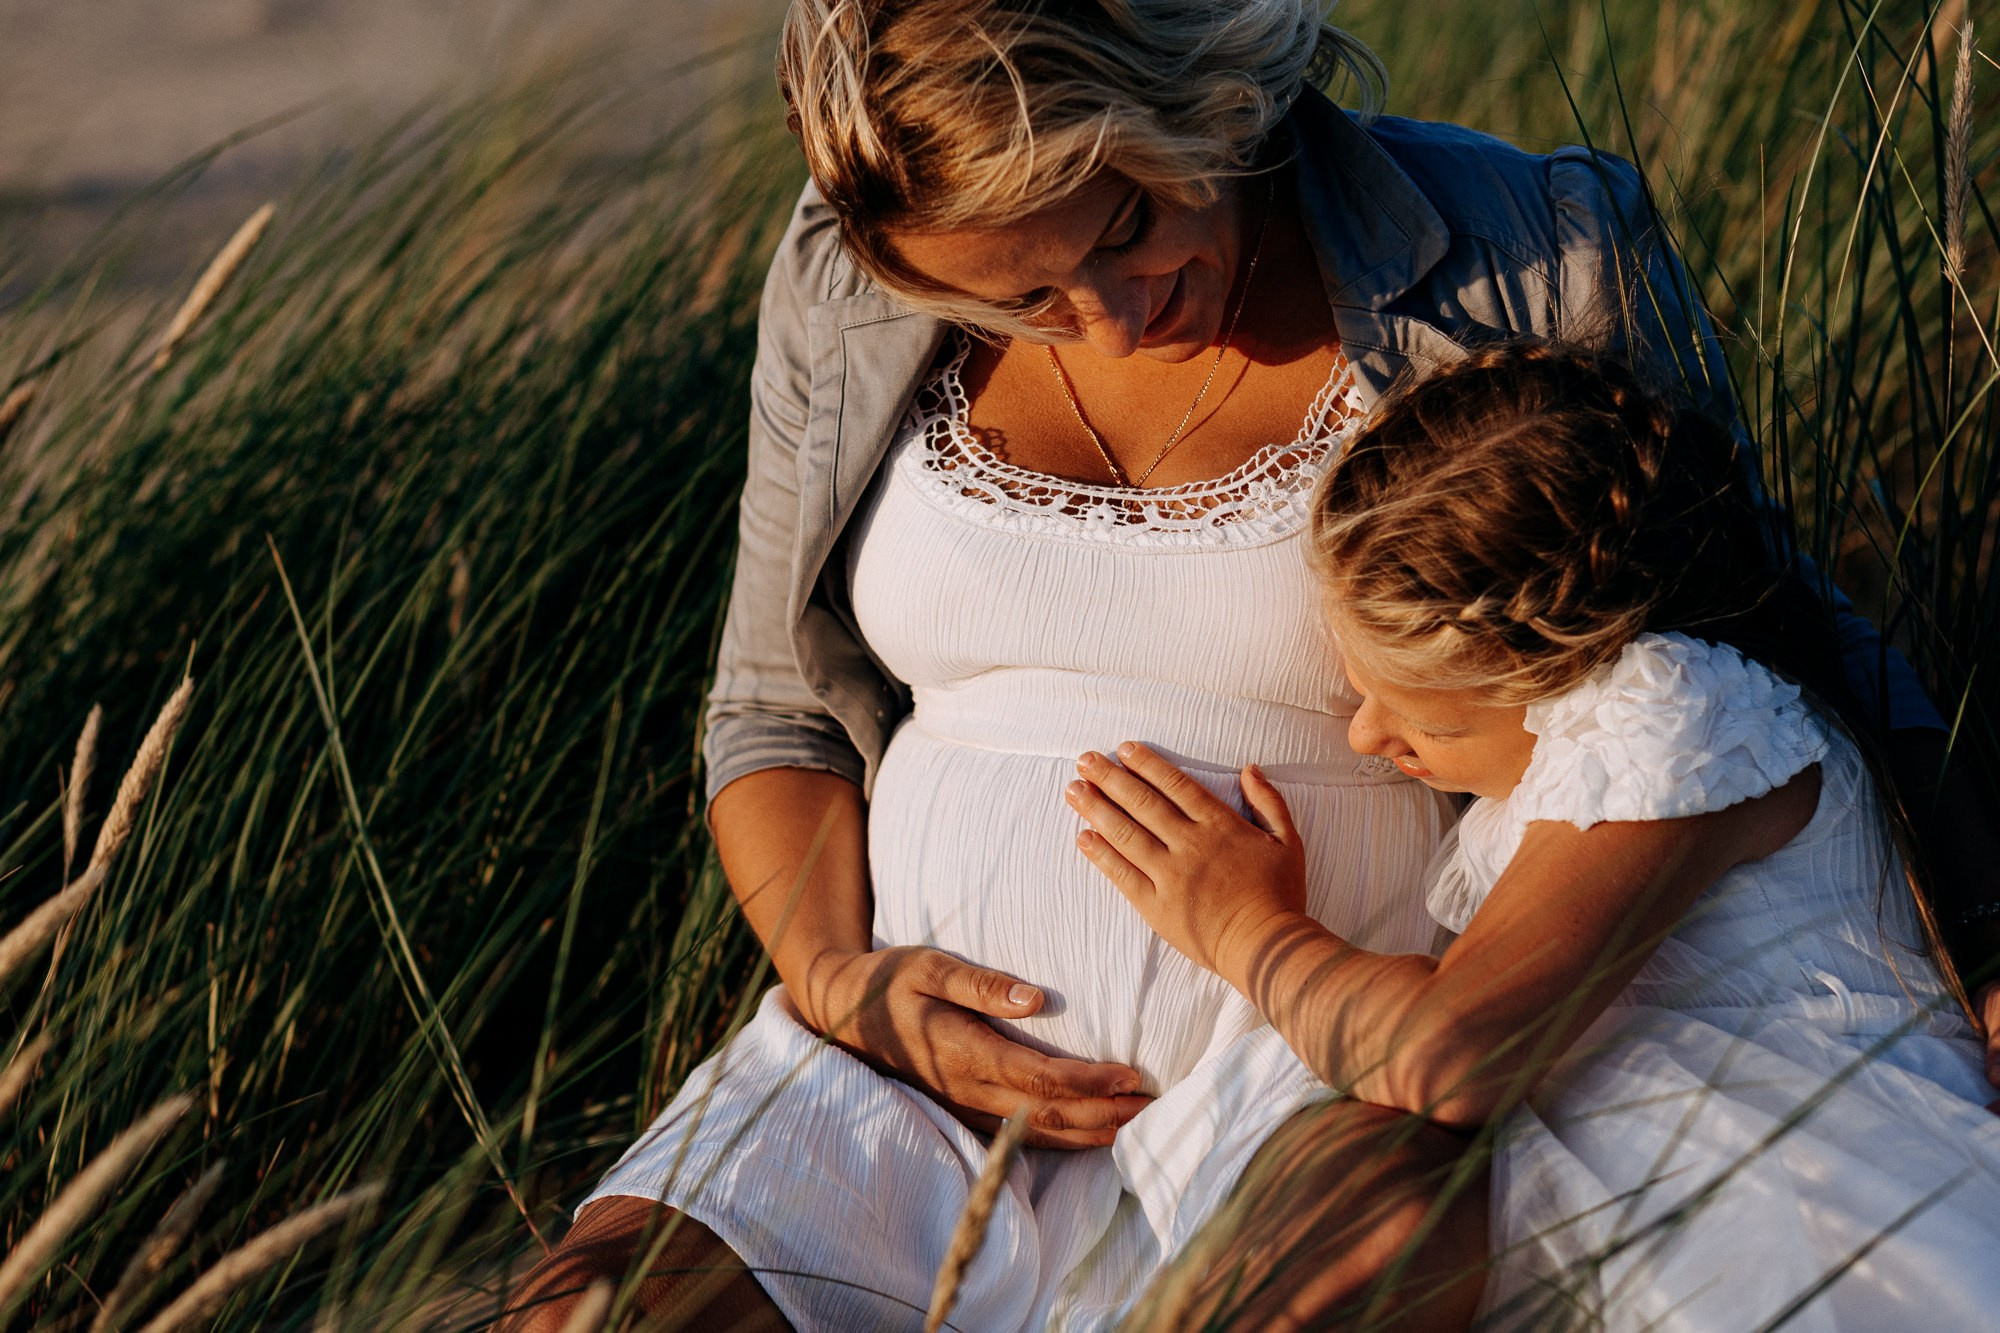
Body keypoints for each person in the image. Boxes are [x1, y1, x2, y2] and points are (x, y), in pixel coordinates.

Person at [501, 2, 1995, 1328]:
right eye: (1018, 301)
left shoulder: (1528, 250)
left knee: (1349, 1263)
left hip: (1318, 1072)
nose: (1109, 318)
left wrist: (1986, 940)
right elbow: (774, 712)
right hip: (899, 1081)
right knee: (591, 1313)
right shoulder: (851, 276)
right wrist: (838, 984)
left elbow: (1761, 632)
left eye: (1124, 226)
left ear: (1192, 89)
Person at [1068, 341, 2000, 1329]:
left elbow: (1449, 1052)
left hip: (1771, 1178)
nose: (1365, 735)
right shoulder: (1597, 741)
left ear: (1569, 663)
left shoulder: (1678, 706)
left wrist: (1245, 929)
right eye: (1361, 689)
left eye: (1421, 719)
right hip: (1592, 1163)